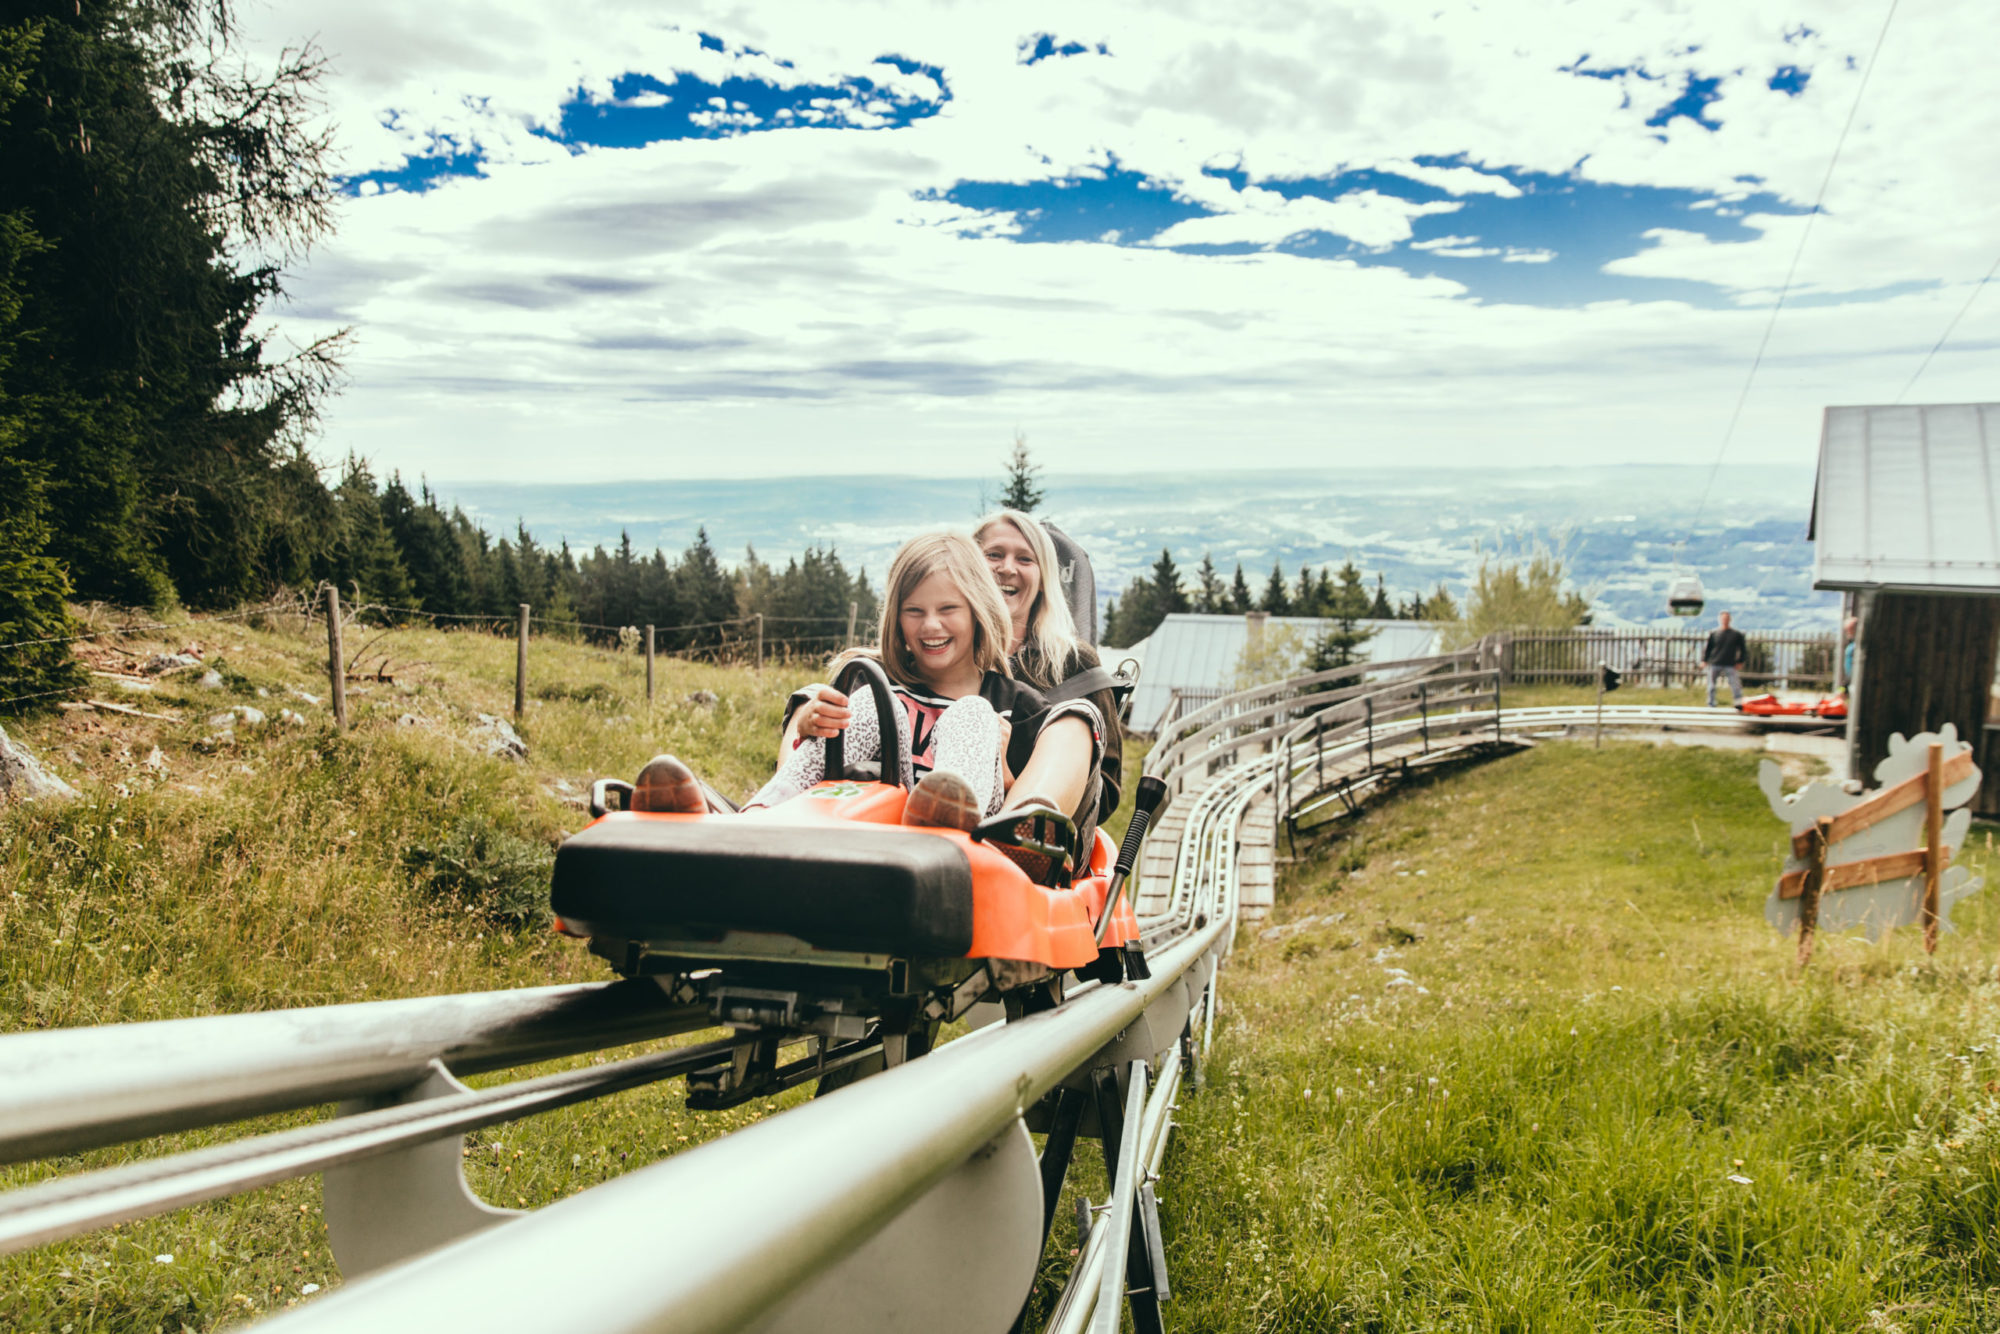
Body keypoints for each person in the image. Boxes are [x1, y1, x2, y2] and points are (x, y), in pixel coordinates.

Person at [973, 509, 1122, 846]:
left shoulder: (1074, 665)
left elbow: (1108, 789)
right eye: (994, 554)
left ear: (1043, 579)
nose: (1008, 568)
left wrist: (1019, 777)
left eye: (1025, 559)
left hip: (1041, 841)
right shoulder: (945, 654)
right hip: (938, 819)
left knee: (1075, 721)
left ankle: (1019, 830)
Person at [1701, 611, 1748, 707]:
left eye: (1726, 619)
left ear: (1730, 620)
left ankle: (1738, 703)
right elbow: (1708, 648)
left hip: (1730, 663)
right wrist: (1704, 660)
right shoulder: (1714, 633)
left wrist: (1740, 661)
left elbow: (1743, 649)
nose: (1725, 620)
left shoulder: (1736, 634)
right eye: (1723, 619)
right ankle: (1711, 703)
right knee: (1711, 685)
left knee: (1735, 685)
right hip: (1715, 662)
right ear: (1720, 620)